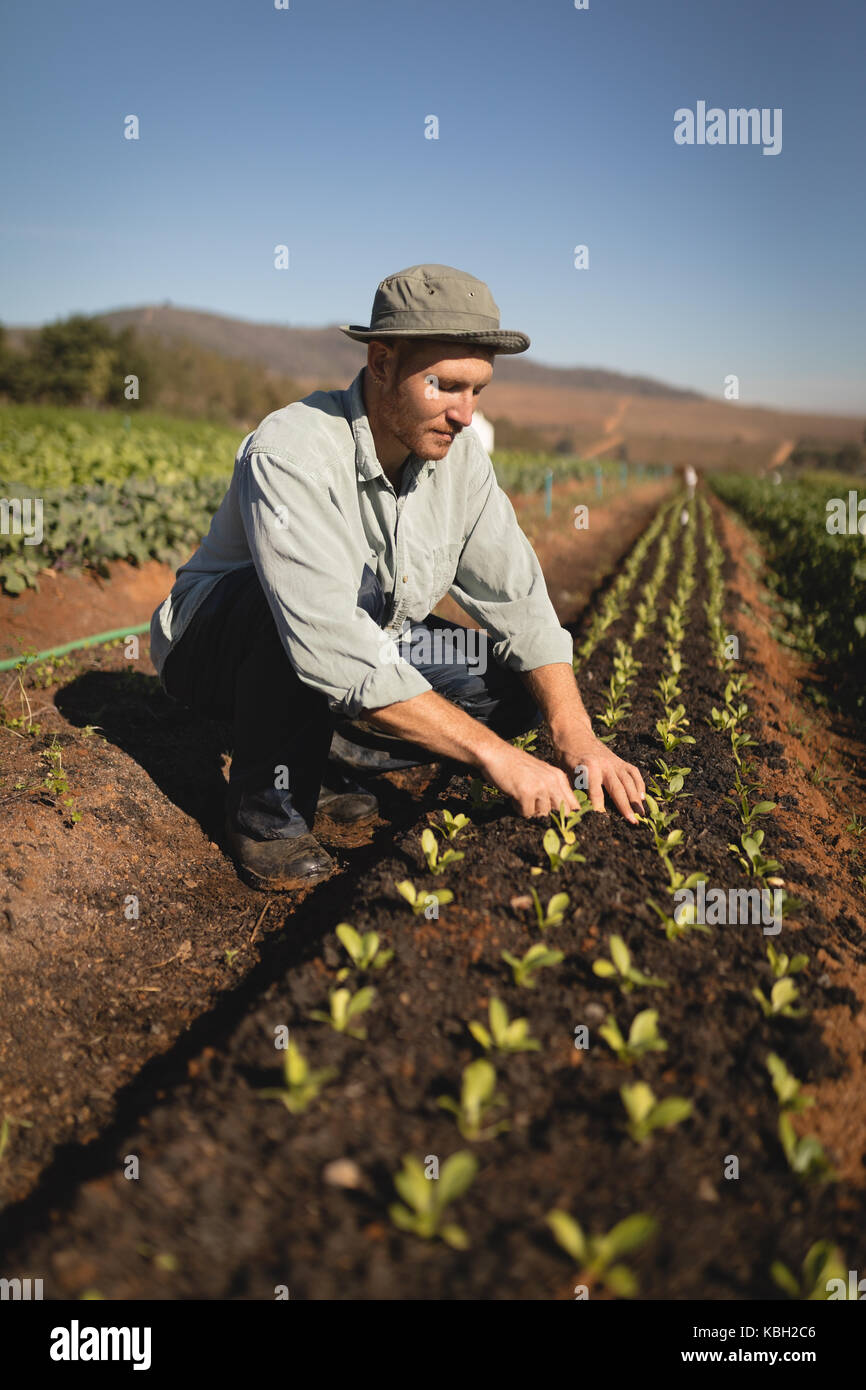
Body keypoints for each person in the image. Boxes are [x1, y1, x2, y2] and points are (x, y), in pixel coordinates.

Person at [149, 263, 645, 892]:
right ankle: (268, 817)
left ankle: (319, 749)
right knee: (312, 618)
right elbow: (324, 637)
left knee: (512, 688)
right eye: (446, 386)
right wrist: (498, 759)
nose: (465, 414)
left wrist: (576, 738)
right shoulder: (293, 450)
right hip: (220, 644)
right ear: (380, 363)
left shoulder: (458, 459)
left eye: (478, 392)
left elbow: (517, 597)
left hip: (363, 636)